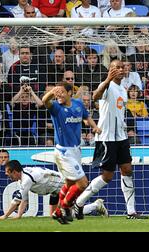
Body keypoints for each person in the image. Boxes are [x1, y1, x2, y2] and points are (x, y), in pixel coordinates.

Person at [75, 59, 149, 220]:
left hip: (121, 137)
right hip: (107, 138)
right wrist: (107, 79)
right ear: (110, 70)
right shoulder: (107, 85)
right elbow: (95, 96)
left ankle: (131, 212)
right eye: (117, 68)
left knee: (127, 170)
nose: (121, 70)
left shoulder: (123, 89)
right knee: (107, 176)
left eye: (123, 68)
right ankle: (79, 203)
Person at [42, 83, 101, 224]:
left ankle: (58, 212)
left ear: (70, 93)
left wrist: (94, 127)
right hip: (63, 152)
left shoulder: (78, 104)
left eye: (61, 92)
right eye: (57, 93)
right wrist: (51, 93)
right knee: (82, 184)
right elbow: (45, 101)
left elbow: (86, 116)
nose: (58, 95)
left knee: (69, 183)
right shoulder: (56, 108)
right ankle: (64, 207)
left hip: (76, 150)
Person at [0, 160, 108, 220]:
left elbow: (19, 200)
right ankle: (94, 205)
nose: (6, 175)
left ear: (14, 171)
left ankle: (96, 205)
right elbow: (23, 199)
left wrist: (6, 216)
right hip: (55, 190)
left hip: (64, 185)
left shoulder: (26, 179)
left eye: (8, 172)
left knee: (69, 213)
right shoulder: (23, 177)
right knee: (53, 216)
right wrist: (18, 215)